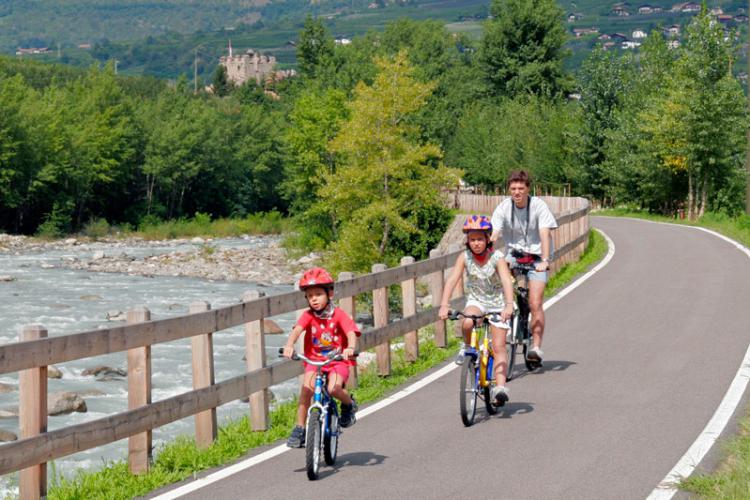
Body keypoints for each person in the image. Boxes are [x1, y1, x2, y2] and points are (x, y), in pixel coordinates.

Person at [439, 215, 515, 405]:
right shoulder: (464, 258)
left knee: (498, 347)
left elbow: (506, 281)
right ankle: (467, 347)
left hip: (498, 302)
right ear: (467, 241)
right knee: (467, 321)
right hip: (477, 300)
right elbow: (452, 280)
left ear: (488, 239)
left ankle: (499, 387)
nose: (476, 243)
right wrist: (444, 304)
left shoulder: (497, 258)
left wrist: (508, 305)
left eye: (480, 239)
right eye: (472, 239)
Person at [282, 267, 360, 448]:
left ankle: (348, 404)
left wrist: (350, 348)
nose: (314, 299)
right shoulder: (308, 315)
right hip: (315, 361)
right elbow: (297, 330)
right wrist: (289, 345)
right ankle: (300, 428)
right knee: (306, 390)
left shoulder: (338, 314)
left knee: (333, 389)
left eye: (318, 294)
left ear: (330, 293)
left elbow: (350, 332)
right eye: (310, 296)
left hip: (337, 360)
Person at [490, 170, 557, 364]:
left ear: (528, 189)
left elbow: (545, 233)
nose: (517, 192)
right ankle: (515, 313)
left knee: (535, 302)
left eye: (521, 188)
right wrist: (489, 250)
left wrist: (545, 260)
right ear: (509, 190)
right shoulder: (503, 207)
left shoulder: (538, 206)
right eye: (513, 188)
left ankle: (535, 347)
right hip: (514, 255)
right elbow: (495, 232)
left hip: (537, 257)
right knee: (510, 294)